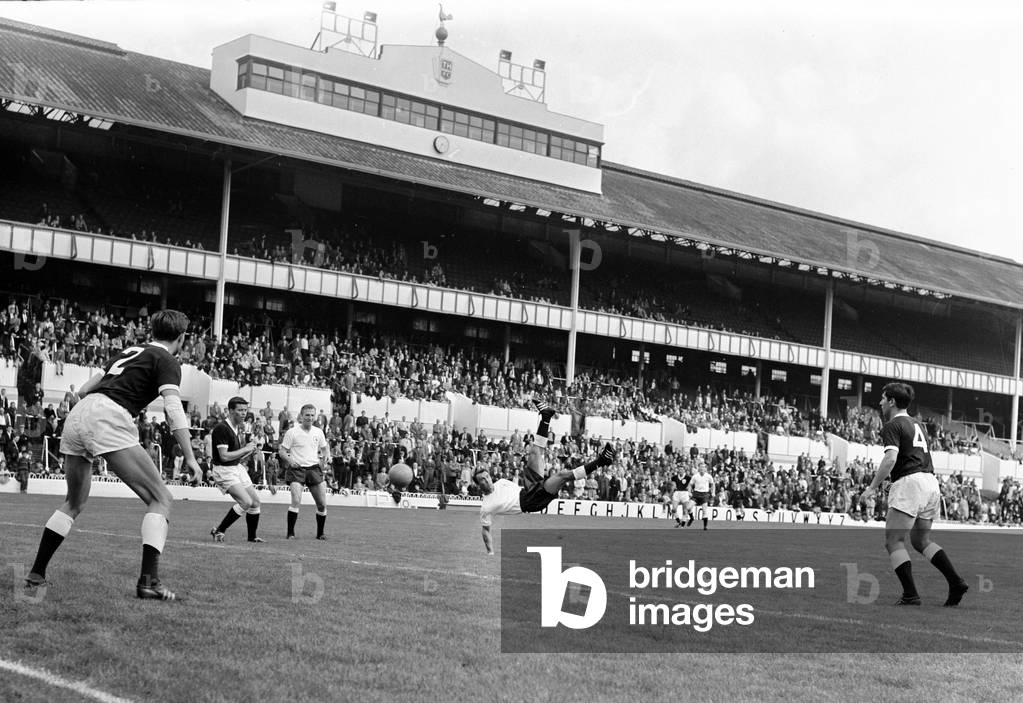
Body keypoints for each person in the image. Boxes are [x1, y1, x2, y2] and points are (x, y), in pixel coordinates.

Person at [24, 310, 200, 601]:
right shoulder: (167, 360)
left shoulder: (130, 351)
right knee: (161, 498)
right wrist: (191, 458)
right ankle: (149, 581)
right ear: (181, 338)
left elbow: (83, 389)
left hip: (80, 413)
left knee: (74, 502)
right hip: (109, 414)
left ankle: (35, 574)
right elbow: (173, 408)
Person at [863, 382, 969, 606]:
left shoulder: (892, 425)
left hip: (911, 482)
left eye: (883, 398)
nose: (880, 402)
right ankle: (956, 582)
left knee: (893, 541)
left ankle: (910, 594)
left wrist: (872, 487)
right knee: (920, 540)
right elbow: (911, 461)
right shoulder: (918, 424)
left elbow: (891, 459)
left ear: (892, 401)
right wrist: (889, 487)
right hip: (930, 482)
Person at [474, 400, 615, 554]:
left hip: (528, 488)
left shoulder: (500, 482)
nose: (486, 480)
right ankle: (602, 461)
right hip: (529, 502)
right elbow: (486, 530)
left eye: (487, 476)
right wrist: (490, 553)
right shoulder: (486, 507)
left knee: (535, 452)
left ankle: (546, 416)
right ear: (478, 485)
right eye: (482, 479)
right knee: (562, 475)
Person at [209, 396, 264, 543]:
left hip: (236, 467)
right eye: (240, 410)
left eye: (245, 410)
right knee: (245, 502)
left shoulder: (237, 428)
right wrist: (245, 448)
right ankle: (220, 530)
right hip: (224, 470)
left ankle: (252, 537)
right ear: (230, 411)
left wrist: (248, 452)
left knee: (255, 502)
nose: (244, 413)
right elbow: (224, 456)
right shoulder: (221, 428)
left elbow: (235, 456)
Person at [278, 404, 331, 540]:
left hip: (314, 469)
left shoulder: (318, 432)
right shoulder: (292, 432)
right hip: (297, 470)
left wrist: (325, 458)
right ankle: (290, 533)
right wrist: (290, 461)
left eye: (312, 415)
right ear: (301, 416)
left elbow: (325, 448)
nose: (310, 417)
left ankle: (320, 533)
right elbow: (282, 451)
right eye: (307, 415)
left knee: (322, 504)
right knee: (296, 500)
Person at [689, 463, 713, 530]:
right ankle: (691, 518)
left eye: (703, 467)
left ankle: (705, 526)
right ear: (698, 468)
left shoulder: (708, 476)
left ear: (705, 469)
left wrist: (713, 492)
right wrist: (689, 492)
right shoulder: (695, 476)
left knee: (704, 510)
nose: (702, 468)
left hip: (704, 494)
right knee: (688, 508)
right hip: (696, 494)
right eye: (701, 467)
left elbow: (712, 484)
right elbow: (690, 485)